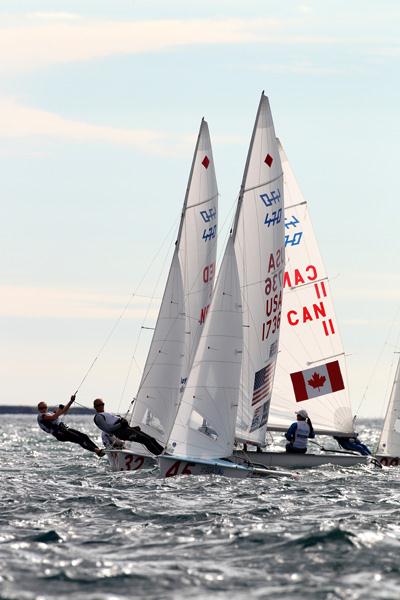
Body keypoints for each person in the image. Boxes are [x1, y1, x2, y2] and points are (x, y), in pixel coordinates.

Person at [37, 395, 105, 457]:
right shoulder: (41, 416)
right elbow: (54, 417)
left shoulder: (50, 413)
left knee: (84, 436)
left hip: (64, 429)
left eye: (45, 407)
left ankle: (98, 450)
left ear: (46, 407)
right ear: (39, 409)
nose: (43, 409)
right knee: (79, 439)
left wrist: (71, 401)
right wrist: (59, 410)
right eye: (41, 408)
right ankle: (97, 451)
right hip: (60, 433)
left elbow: (63, 411)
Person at [93, 399, 164, 455]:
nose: (101, 406)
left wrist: (130, 428)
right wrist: (121, 424)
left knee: (151, 439)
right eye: (99, 405)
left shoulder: (105, 414)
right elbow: (108, 430)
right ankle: (161, 456)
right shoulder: (98, 417)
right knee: (146, 440)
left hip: (125, 429)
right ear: (95, 407)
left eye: (102, 404)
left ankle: (164, 453)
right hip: (121, 432)